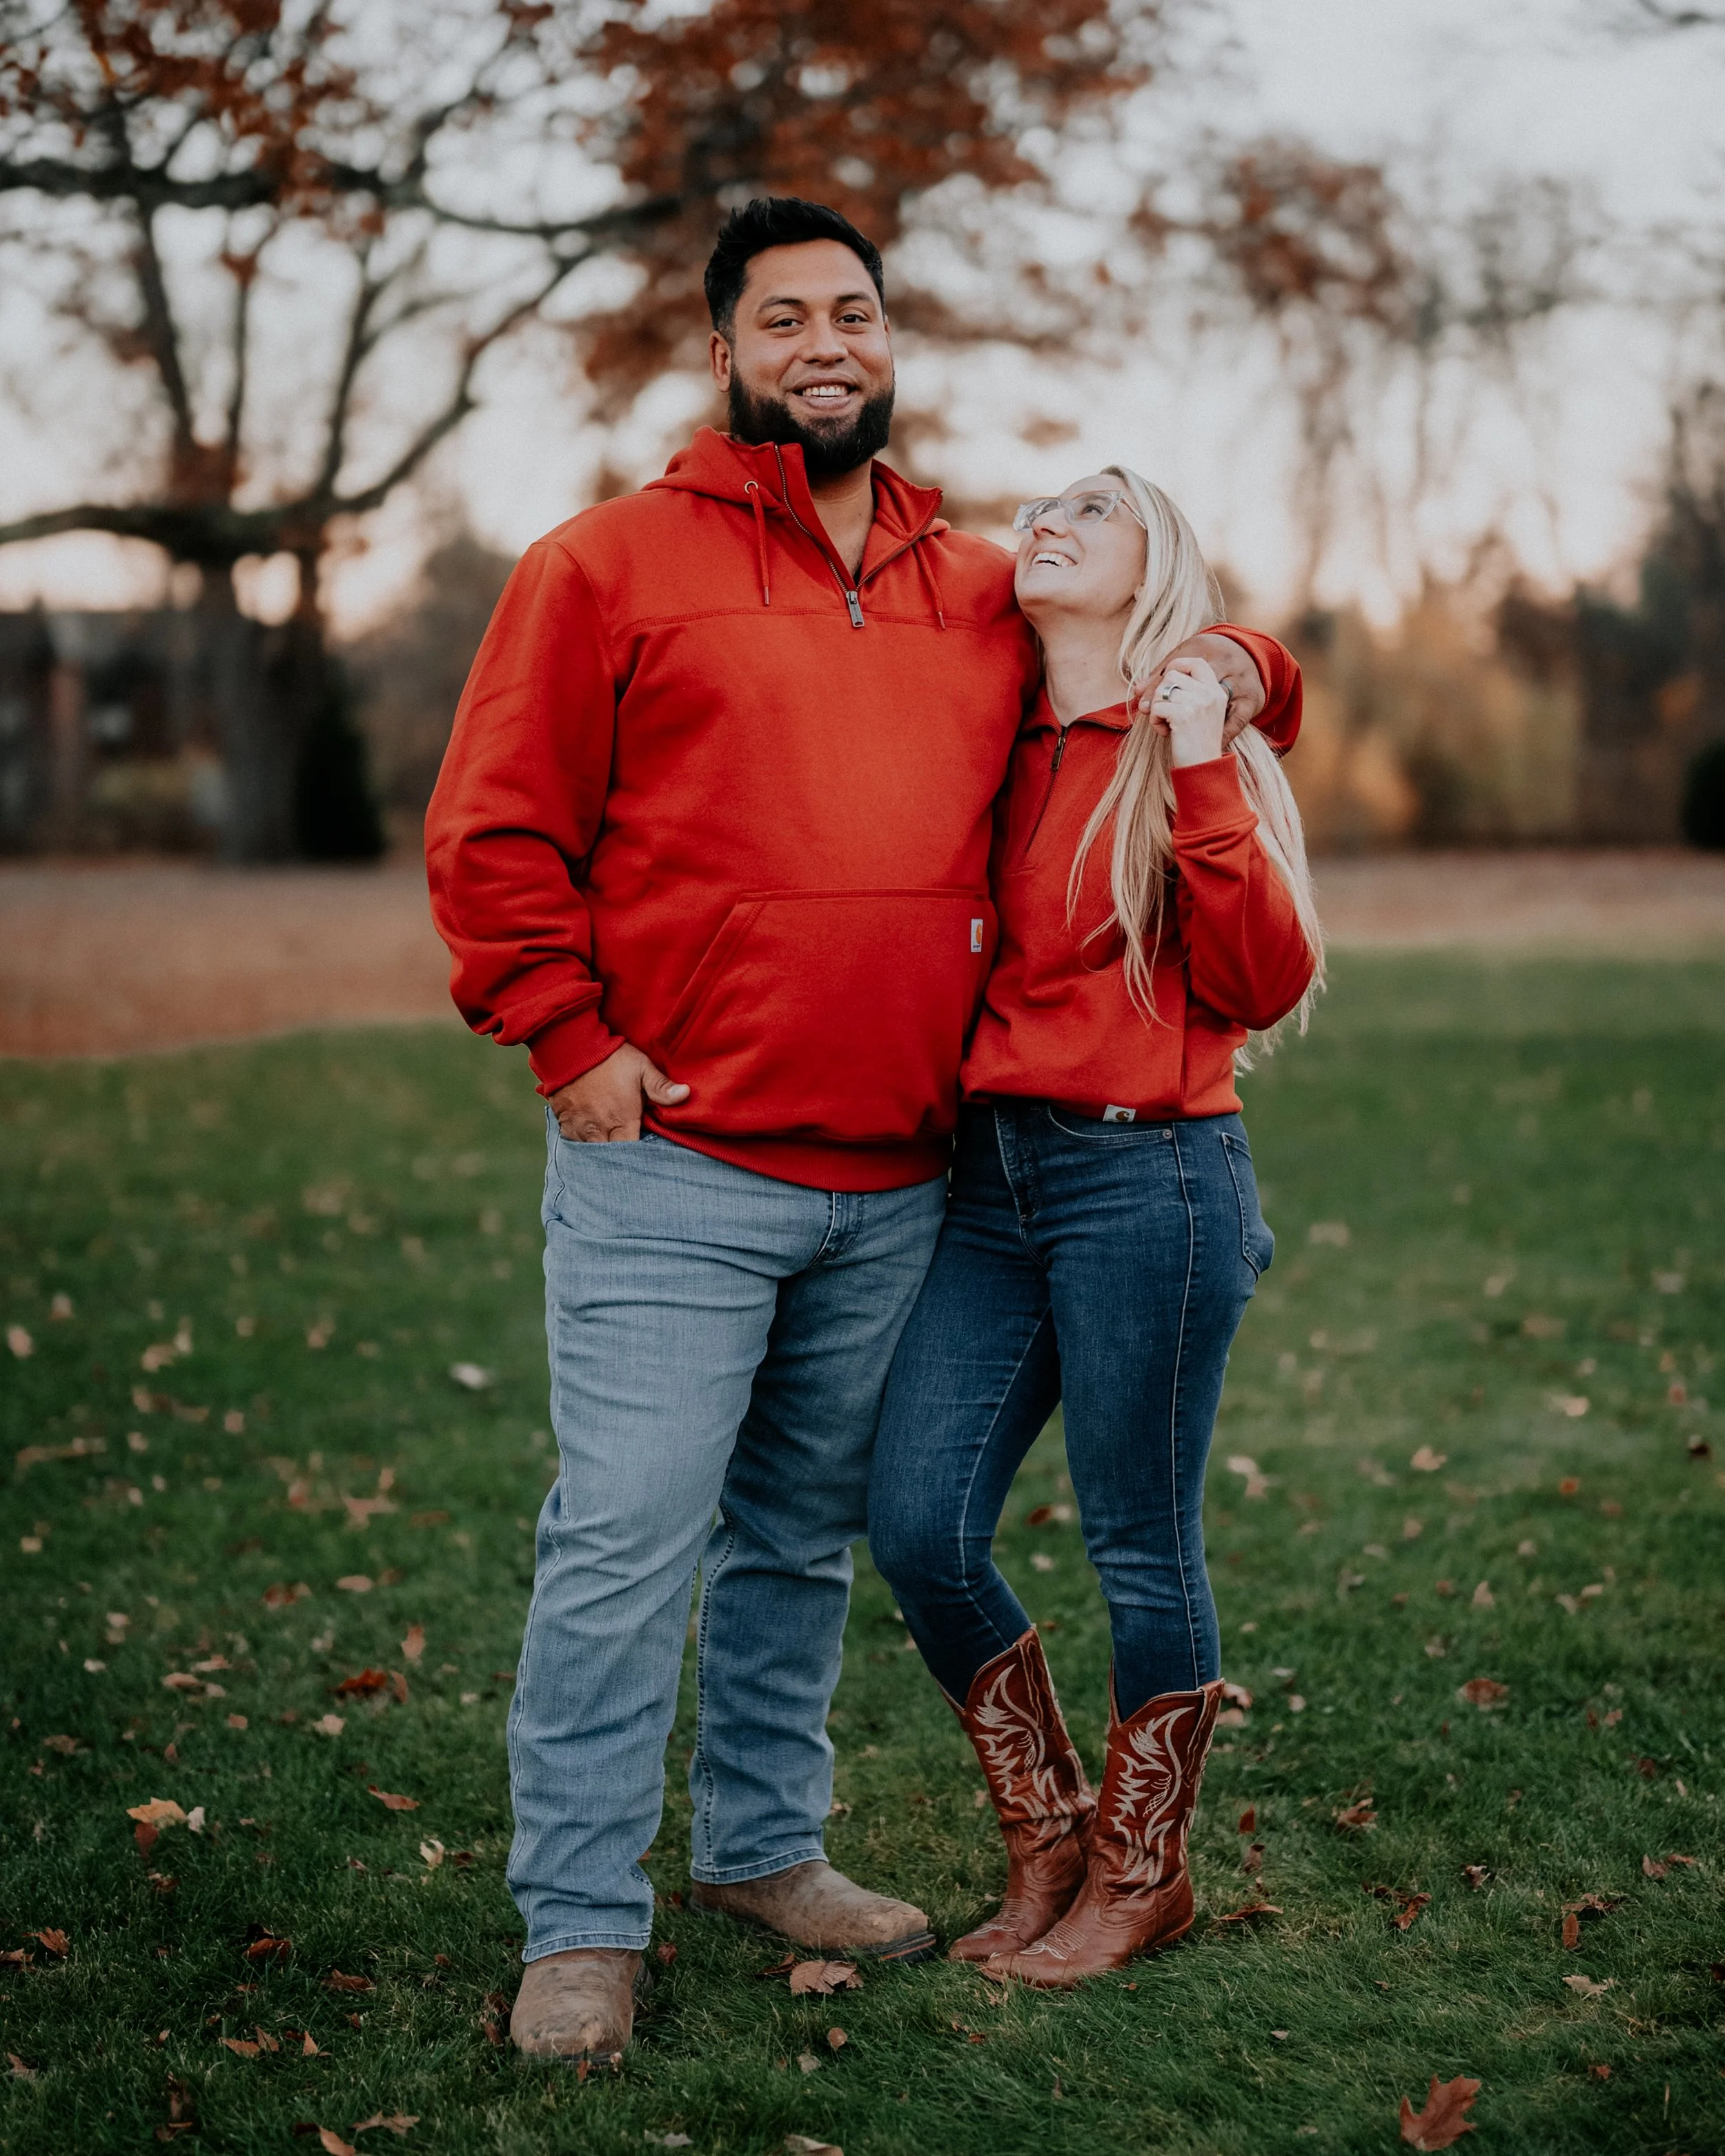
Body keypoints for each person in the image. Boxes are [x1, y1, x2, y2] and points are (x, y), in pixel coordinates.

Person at [425, 195, 1294, 2065]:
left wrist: (1253, 678)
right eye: (784, 316)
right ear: (729, 352)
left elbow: (1179, 623)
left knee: (798, 1539)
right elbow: (492, 828)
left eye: (855, 312)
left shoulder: (976, 581)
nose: (825, 340)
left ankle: (760, 1844)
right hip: (673, 1164)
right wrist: (562, 1033)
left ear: (887, 345)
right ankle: (580, 1919)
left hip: (907, 1180)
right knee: (623, 1539)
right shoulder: (603, 563)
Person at [869, 468, 1322, 1988]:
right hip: (987, 1182)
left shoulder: (1188, 743)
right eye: (1043, 501)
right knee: (919, 1522)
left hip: (1154, 1177)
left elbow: (1260, 981)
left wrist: (1206, 737)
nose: (1048, 519)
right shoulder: (993, 736)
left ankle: (1142, 1873)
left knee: (1139, 1539)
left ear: (1155, 570)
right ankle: (1046, 1829)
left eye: (1096, 510)